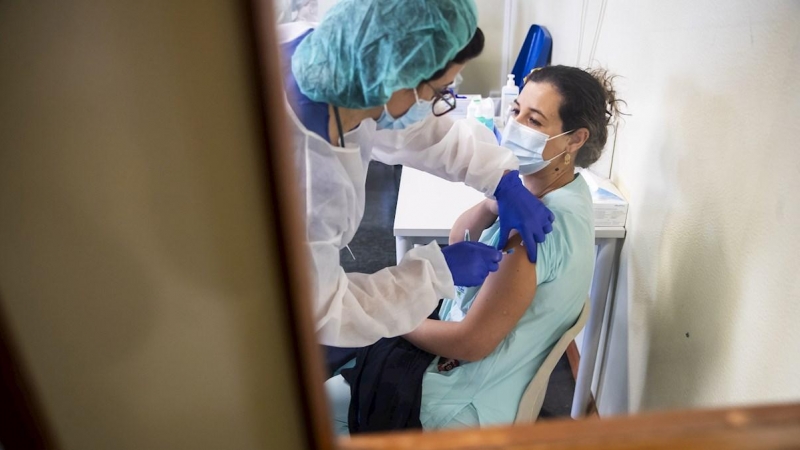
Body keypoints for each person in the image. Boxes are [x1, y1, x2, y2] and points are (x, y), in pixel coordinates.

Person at [326, 65, 625, 432]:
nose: (515, 126)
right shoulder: (565, 194)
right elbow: (459, 237)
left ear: (574, 139)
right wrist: (491, 202)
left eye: (534, 119)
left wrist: (395, 315)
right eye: (515, 110)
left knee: (314, 404)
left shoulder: (534, 233)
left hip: (458, 400)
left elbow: (469, 342)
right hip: (476, 372)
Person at [280, 0, 556, 347]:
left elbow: (418, 132)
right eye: (440, 90)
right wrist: (432, 273)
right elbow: (320, 311)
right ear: (395, 77)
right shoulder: (308, 179)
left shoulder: (332, 58)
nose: (438, 102)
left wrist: (500, 177)